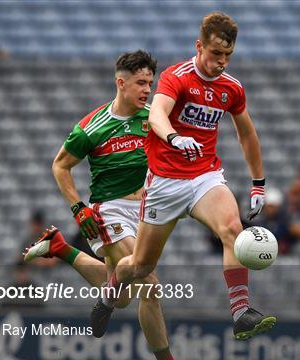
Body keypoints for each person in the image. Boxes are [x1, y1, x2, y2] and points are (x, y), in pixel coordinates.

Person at [91, 12, 276, 342]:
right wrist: (174, 137)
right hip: (164, 182)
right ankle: (108, 296)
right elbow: (159, 113)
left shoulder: (231, 89)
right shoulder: (177, 76)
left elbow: (247, 134)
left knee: (233, 229)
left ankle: (241, 313)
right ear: (199, 46)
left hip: (204, 176)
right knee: (141, 267)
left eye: (228, 56)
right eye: (215, 54)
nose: (221, 62)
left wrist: (258, 183)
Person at [24, 51, 195, 360]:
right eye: (141, 83)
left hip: (144, 211)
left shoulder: (152, 119)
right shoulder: (92, 127)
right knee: (149, 284)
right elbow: (60, 166)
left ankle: (61, 249)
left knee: (123, 296)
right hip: (108, 210)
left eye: (151, 82)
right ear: (121, 82)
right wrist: (78, 208)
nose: (148, 89)